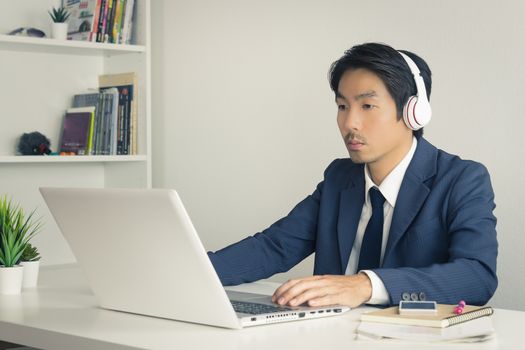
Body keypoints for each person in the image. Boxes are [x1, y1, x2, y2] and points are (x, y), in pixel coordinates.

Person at [207, 42, 498, 308]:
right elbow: (274, 247)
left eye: (367, 106)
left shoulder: (461, 179)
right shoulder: (340, 178)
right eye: (342, 106)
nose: (349, 123)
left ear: (414, 112)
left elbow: (476, 276)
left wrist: (366, 285)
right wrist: (188, 271)